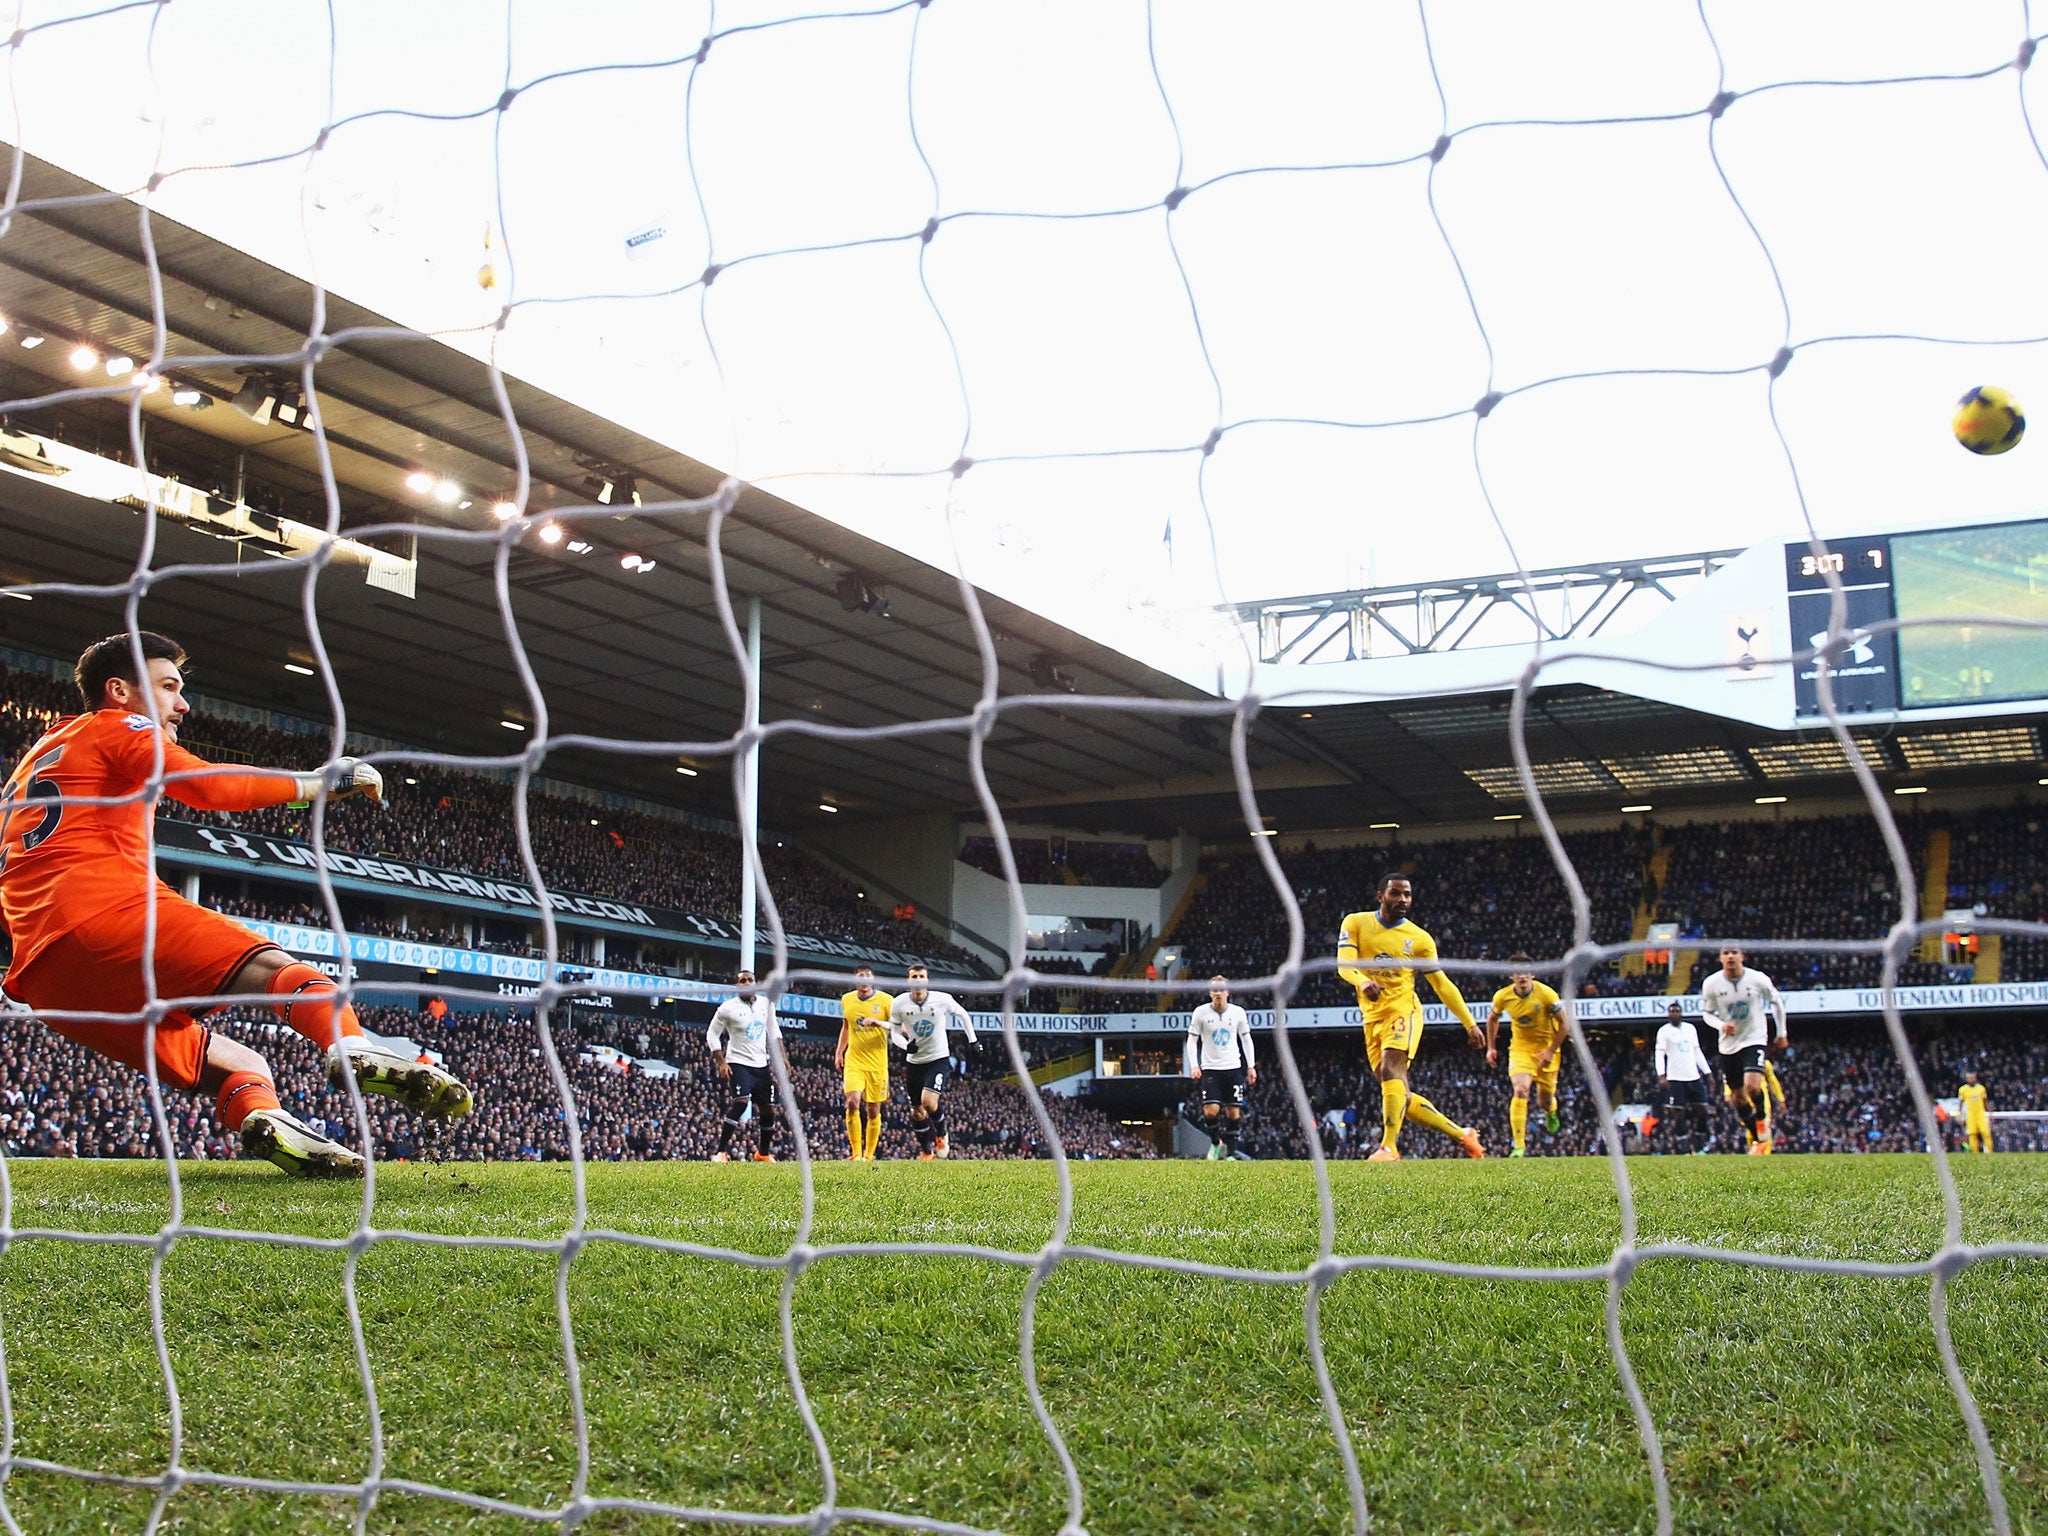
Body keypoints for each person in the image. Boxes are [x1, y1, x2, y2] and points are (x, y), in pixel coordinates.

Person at [0, 632, 472, 1177]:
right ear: (119, 691)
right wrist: (314, 784)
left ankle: (272, 1126)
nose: (182, 704)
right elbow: (207, 788)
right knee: (281, 972)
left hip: (46, 979)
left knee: (239, 1063)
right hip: (106, 910)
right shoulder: (117, 725)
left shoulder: (32, 763)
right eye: (169, 687)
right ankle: (353, 1046)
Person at [1337, 874, 1486, 1162]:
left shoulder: (1419, 939)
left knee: (1393, 1068)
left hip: (1404, 1010)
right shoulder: (1355, 922)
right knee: (1397, 1091)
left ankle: (1388, 1147)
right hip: (1372, 1017)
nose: (1403, 900)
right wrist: (1362, 981)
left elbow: (1442, 984)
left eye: (1407, 894)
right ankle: (1463, 1135)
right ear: (1381, 896)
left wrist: (1469, 1023)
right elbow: (1344, 964)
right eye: (1396, 894)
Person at [1699, 946, 1785, 1155]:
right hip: (1728, 1044)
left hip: (1754, 1038)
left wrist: (1781, 1032)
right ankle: (1757, 1138)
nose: (1730, 956)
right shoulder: (1712, 984)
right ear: (1720, 958)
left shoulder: (1757, 979)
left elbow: (1777, 1002)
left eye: (1734, 953)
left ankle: (1762, 1120)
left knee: (1753, 1087)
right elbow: (1707, 1013)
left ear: (1742, 957)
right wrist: (1721, 1025)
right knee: (1738, 1098)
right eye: (1726, 953)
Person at [888, 963, 977, 1158]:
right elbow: (894, 1032)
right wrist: (905, 1046)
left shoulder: (941, 999)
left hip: (938, 1058)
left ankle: (942, 1134)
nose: (918, 980)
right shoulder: (899, 1003)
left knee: (928, 1101)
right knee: (917, 1112)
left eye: (921, 977)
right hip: (914, 1062)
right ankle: (926, 1151)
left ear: (927, 980)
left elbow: (962, 1014)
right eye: (914, 977)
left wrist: (973, 1041)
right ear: (908, 980)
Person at [1483, 955, 1565, 1157]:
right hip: (1521, 1049)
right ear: (1512, 976)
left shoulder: (1546, 994)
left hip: (1547, 1050)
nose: (1522, 976)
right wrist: (1491, 1047)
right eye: (1518, 972)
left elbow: (1565, 1024)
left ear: (1533, 974)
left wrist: (1550, 1050)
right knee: (1520, 1090)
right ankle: (1519, 1145)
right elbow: (1493, 1018)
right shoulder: (1502, 997)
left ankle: (1551, 1111)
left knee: (1544, 1099)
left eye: (1526, 972)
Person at [706, 969, 786, 1162]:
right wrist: (721, 1062)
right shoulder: (727, 1008)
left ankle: (763, 1154)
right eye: (743, 980)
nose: (747, 982)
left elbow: (774, 1031)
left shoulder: (766, 1005)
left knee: (768, 1109)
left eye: (750, 979)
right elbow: (712, 1034)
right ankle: (720, 1152)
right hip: (738, 1062)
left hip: (760, 1064)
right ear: (737, 985)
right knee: (741, 1102)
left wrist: (783, 1057)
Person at [1183, 976, 1255, 1160]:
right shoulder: (1200, 1013)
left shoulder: (1238, 1013)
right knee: (1210, 1110)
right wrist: (1194, 1065)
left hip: (1233, 1067)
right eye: (1214, 990)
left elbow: (1246, 1039)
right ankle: (1216, 1143)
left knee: (1233, 1111)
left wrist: (1251, 1066)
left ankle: (1230, 1153)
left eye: (1221, 990)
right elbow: (1192, 1040)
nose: (1218, 994)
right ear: (1210, 993)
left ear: (1227, 992)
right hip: (1210, 1068)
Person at [835, 965, 894, 1161]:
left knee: (873, 1110)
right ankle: (856, 1153)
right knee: (852, 1102)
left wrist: (878, 1023)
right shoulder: (847, 999)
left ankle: (869, 1155)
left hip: (877, 1064)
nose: (865, 979)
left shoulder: (886, 1001)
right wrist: (839, 1052)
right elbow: (846, 1026)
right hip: (855, 1061)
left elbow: (898, 1027)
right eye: (861, 976)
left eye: (868, 976)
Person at [1646, 1001, 1714, 1152]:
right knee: (1678, 1111)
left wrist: (1707, 1072)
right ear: (1668, 1014)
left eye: (1677, 1011)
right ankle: (1682, 1140)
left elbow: (1696, 1051)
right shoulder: (1664, 1031)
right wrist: (1661, 1075)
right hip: (1675, 1077)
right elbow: (1659, 1053)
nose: (1674, 1014)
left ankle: (1700, 1137)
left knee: (1702, 1108)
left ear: (1681, 1013)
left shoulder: (1690, 1029)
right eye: (1672, 1012)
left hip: (1693, 1076)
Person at [1959, 1070, 1991, 1154]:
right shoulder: (1963, 1089)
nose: (1970, 1079)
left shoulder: (1981, 1088)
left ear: (1975, 1078)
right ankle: (1974, 1153)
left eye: (1972, 1078)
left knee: (1986, 1133)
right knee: (1972, 1134)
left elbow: (1985, 1101)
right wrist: (1960, 1115)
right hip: (1970, 1115)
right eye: (1968, 1078)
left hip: (1981, 1114)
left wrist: (1990, 1113)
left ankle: (1990, 1152)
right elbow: (1961, 1103)